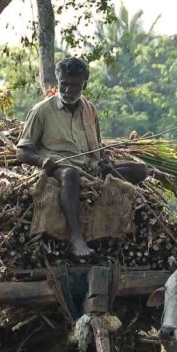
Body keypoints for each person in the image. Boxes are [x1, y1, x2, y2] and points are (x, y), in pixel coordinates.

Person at [17, 57, 147, 257]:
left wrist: (106, 160)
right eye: (64, 84)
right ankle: (76, 238)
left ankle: (110, 215)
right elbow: (22, 151)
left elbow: (98, 145)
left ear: (84, 84)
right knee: (70, 175)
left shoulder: (89, 109)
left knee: (140, 170)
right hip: (62, 167)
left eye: (75, 85)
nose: (68, 90)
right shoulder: (41, 111)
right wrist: (43, 161)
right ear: (58, 81)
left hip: (91, 167)